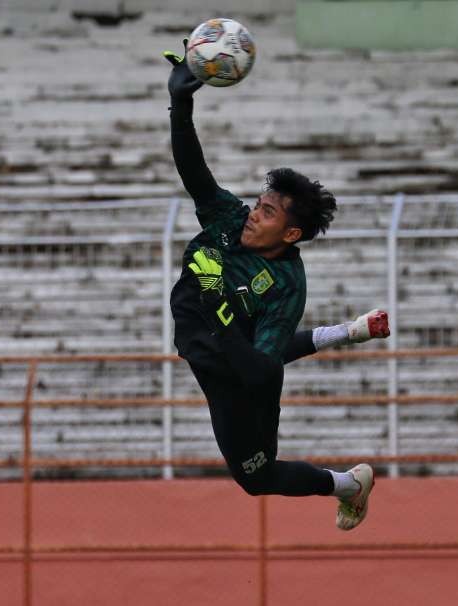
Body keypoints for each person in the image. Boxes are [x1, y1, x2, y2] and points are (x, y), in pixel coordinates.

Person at [163, 44, 390, 530]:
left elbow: (261, 372)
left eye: (267, 212)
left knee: (256, 478)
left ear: (290, 234)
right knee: (249, 333)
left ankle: (349, 484)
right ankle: (348, 331)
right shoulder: (232, 218)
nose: (253, 214)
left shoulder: (287, 286)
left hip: (237, 378)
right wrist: (180, 105)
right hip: (206, 343)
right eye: (258, 202)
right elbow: (195, 174)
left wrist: (217, 303)